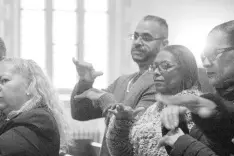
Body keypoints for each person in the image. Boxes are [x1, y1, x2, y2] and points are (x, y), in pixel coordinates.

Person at [70, 15, 169, 156]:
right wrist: (85, 83)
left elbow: (138, 133)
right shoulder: (122, 81)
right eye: (135, 36)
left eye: (146, 38)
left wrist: (105, 99)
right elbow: (80, 112)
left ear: (164, 44)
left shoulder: (161, 83)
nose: (137, 42)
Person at [158, 20, 234, 156]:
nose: (205, 63)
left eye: (213, 53)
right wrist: (177, 125)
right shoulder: (220, 100)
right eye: (203, 55)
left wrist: (180, 142)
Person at [105, 45, 201, 156]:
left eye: (165, 66)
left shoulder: (197, 108)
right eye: (154, 67)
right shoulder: (153, 109)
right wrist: (121, 123)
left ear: (186, 70)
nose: (155, 72)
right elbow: (123, 153)